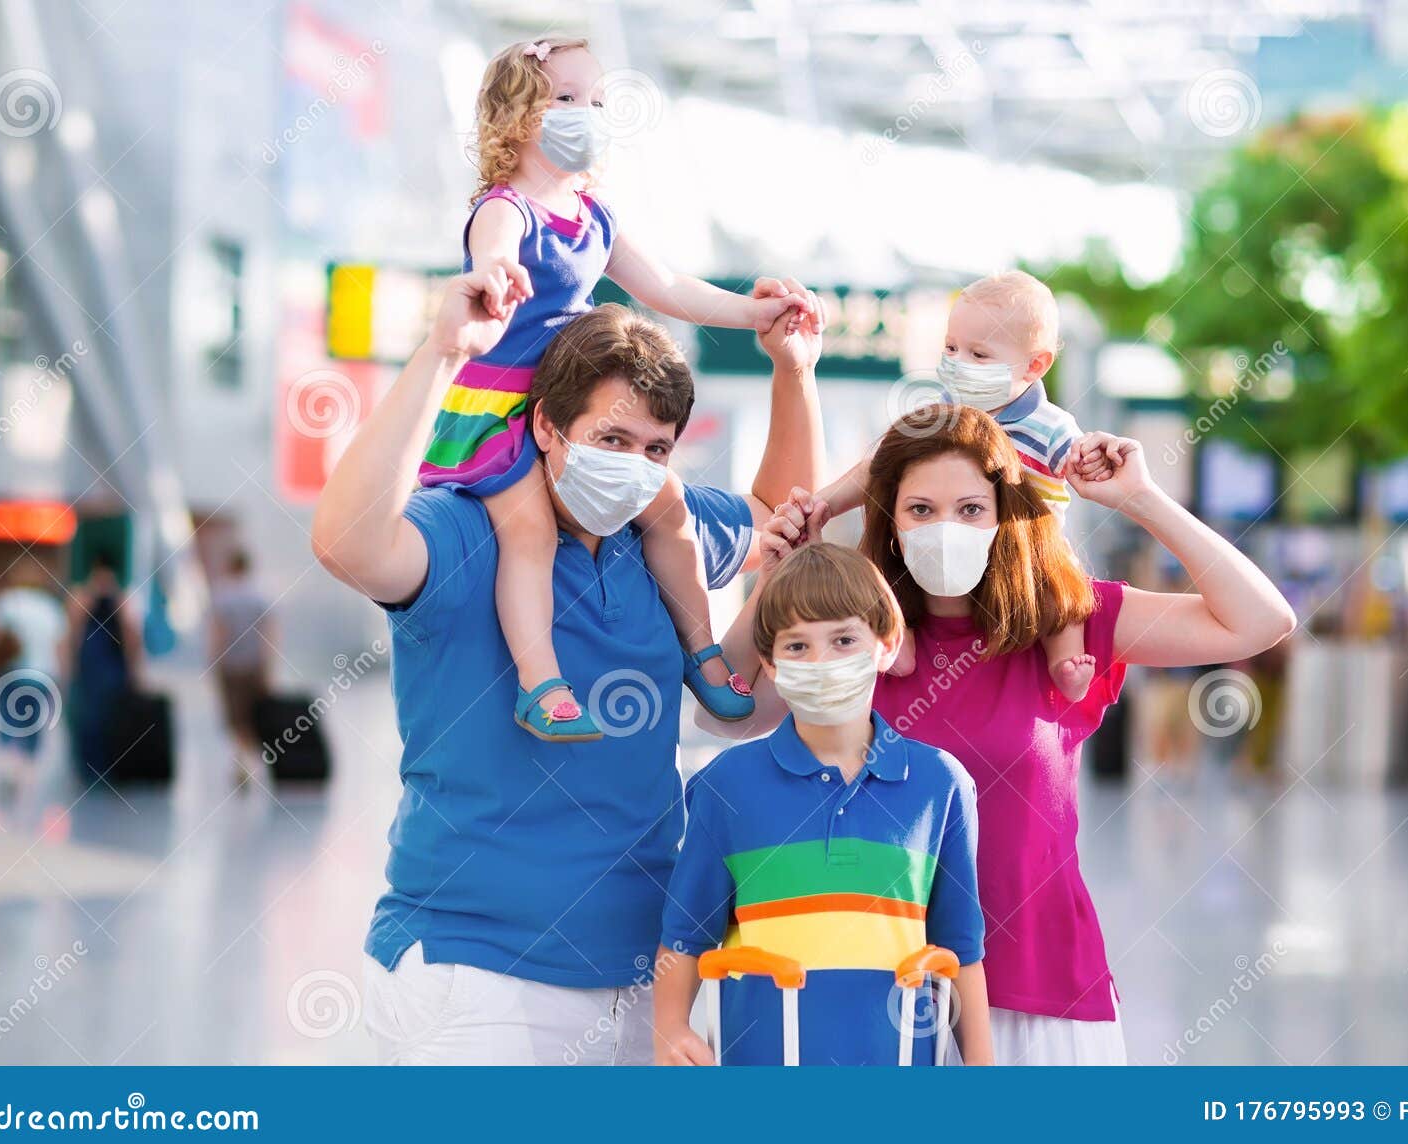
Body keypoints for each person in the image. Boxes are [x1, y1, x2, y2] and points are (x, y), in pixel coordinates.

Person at [310, 259, 824, 1064]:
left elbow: (775, 515)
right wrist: (444, 353)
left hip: (647, 971)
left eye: (656, 447)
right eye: (610, 439)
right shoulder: (467, 528)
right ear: (547, 427)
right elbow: (347, 542)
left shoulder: (661, 532)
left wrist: (793, 373)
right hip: (477, 971)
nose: (634, 464)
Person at [722, 405, 1297, 1064]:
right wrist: (775, 573)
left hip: (1041, 995)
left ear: (1003, 514)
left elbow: (1262, 621)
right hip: (881, 999)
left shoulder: (1067, 623)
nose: (946, 529)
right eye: (920, 510)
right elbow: (734, 709)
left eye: (970, 509)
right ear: (890, 520)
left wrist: (1143, 499)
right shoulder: (852, 636)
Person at [416, 35, 814, 742]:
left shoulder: (595, 214)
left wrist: (753, 314)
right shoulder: (507, 208)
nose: (585, 114)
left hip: (568, 393)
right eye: (565, 99)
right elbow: (494, 253)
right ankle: (541, 684)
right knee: (530, 534)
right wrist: (497, 277)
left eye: (595, 101)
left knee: (670, 511)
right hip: (503, 411)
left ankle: (702, 650)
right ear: (517, 113)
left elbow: (665, 287)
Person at [653, 543, 991, 1066]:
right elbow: (685, 936)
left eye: (843, 640)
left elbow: (960, 948)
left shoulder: (940, 785)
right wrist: (670, 1029)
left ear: (885, 643)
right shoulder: (726, 787)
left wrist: (983, 1066)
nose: (822, 662)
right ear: (769, 662)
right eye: (796, 647)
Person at [817, 271, 1096, 701]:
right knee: (891, 572)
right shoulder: (941, 415)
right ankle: (898, 642)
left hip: (1027, 552)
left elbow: (1083, 459)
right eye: (951, 348)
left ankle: (1066, 664)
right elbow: (877, 467)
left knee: (1063, 590)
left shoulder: (1051, 426)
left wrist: (1099, 456)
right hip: (947, 551)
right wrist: (826, 504)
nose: (959, 362)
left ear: (1034, 365)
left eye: (979, 354)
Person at [66, 553, 140, 786]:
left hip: (100, 667)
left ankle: (97, 767)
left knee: (96, 717)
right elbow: (131, 636)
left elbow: (74, 633)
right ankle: (98, 767)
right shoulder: (115, 597)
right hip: (102, 667)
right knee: (97, 717)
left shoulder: (103, 597)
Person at [208, 548, 272, 786]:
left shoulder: (222, 596)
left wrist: (213, 662)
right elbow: (270, 635)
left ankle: (242, 763)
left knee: (235, 717)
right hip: (255, 666)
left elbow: (219, 633)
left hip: (231, 666)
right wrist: (268, 667)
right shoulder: (260, 596)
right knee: (253, 714)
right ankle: (248, 762)